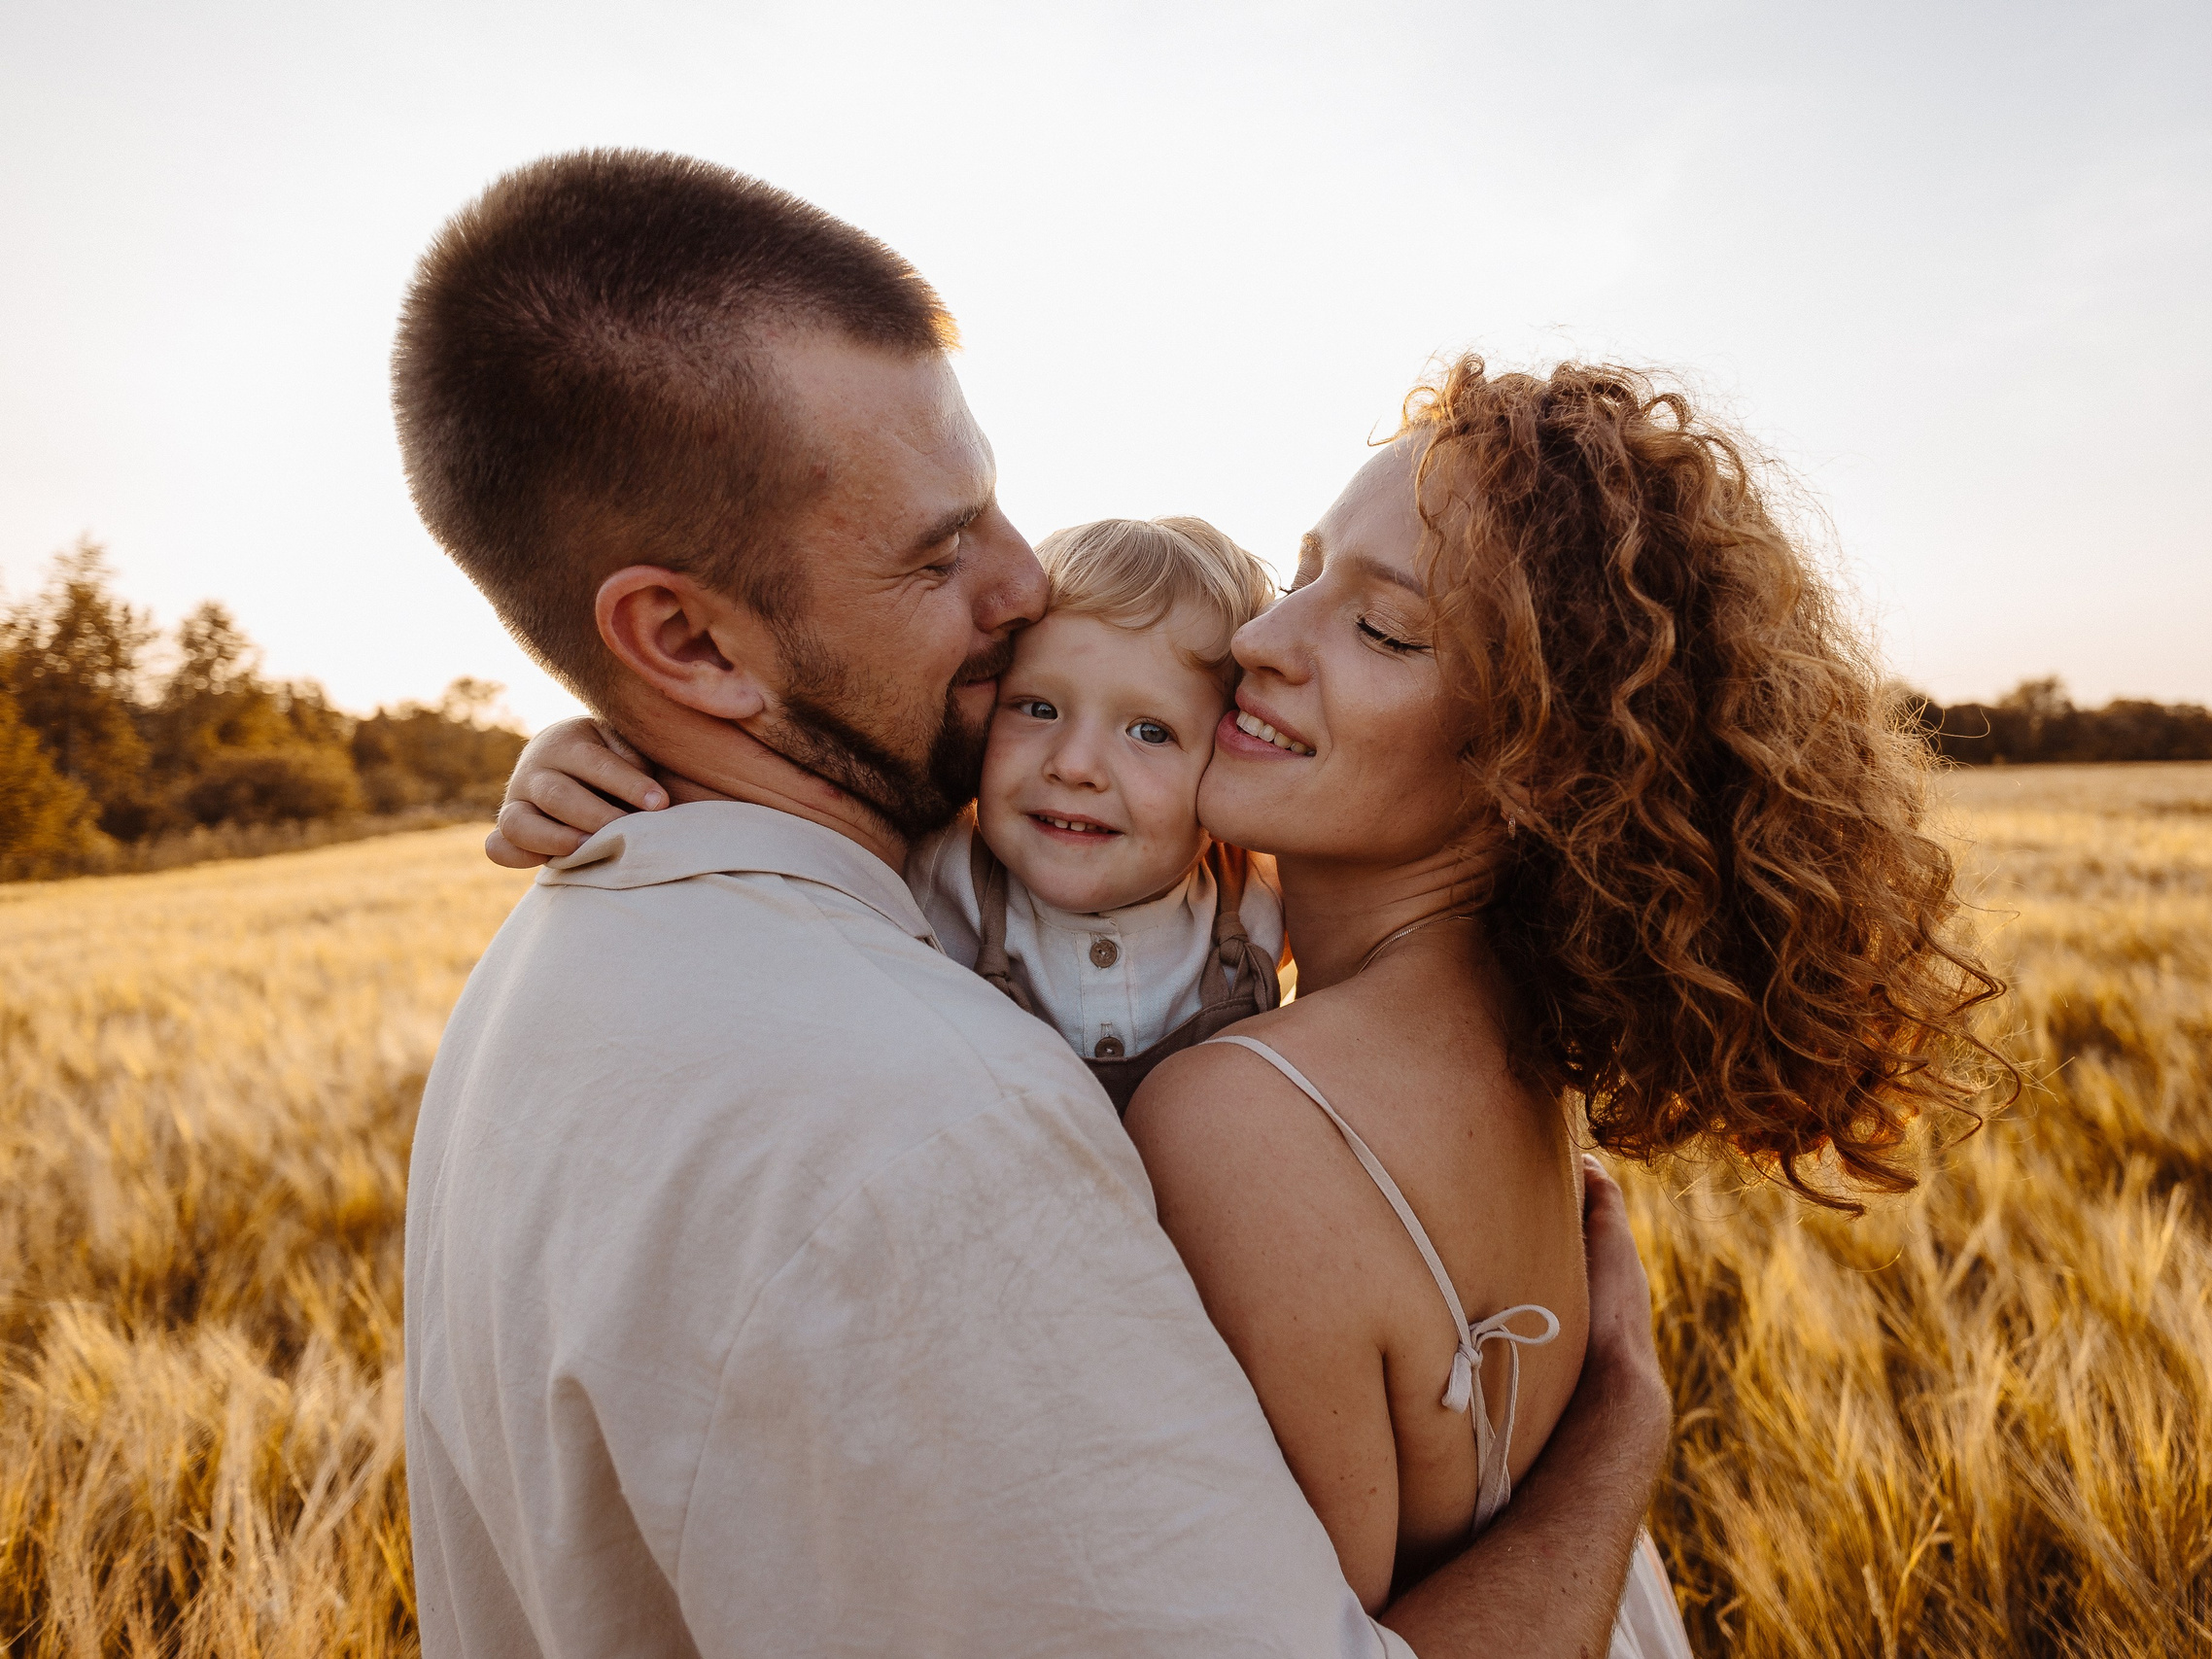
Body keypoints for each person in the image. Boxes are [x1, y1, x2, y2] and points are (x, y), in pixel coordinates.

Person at [500, 363, 2003, 1650]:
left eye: (1387, 631)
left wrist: (1625, 1437)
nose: (1267, 639)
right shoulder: (1490, 1027)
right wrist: (644, 736)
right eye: (1304, 572)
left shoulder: (1245, 1115)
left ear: (1538, 760)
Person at [395, 147, 1675, 1659]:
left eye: (994, 508)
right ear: (685, 640)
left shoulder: (571, 948)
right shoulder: (934, 1135)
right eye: (943, 550)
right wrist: (1618, 1438)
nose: (1022, 582)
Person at [504, 514, 1291, 1115]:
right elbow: (737, 790)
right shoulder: (930, 859)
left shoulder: (1260, 896)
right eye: (1037, 707)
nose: (1075, 764)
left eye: (1149, 731)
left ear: (1229, 757)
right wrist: (573, 751)